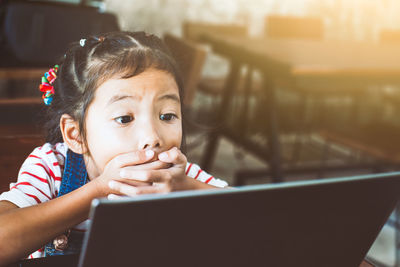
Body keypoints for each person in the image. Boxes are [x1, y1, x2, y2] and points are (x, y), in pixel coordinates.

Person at [0, 31, 228, 264]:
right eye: (124, 119)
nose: (152, 138)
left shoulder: (179, 177)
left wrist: (186, 189)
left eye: (167, 116)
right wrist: (99, 190)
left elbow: (255, 222)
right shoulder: (51, 167)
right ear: (75, 134)